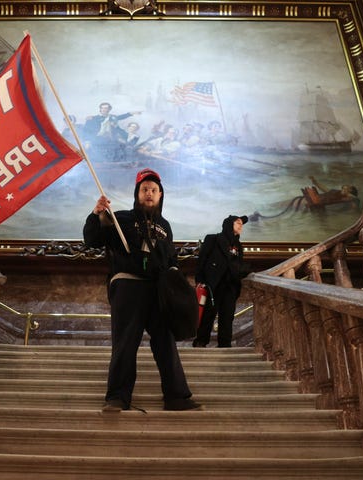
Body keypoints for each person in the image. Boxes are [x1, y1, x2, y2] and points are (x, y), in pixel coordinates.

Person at [83, 168, 202, 412]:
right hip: (128, 286)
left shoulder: (165, 226)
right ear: (137, 193)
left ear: (161, 195)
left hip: (158, 290)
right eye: (145, 189)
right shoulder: (120, 219)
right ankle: (117, 397)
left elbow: (172, 261)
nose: (149, 193)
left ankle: (176, 397)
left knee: (166, 343)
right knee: (125, 343)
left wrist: (176, 283)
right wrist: (96, 214)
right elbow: (92, 239)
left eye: (154, 190)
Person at [192, 215, 249, 348]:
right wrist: (199, 280)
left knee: (227, 317)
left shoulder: (238, 246)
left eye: (242, 224)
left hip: (230, 286)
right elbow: (202, 261)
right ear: (229, 224)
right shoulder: (213, 239)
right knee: (208, 315)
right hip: (213, 285)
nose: (241, 226)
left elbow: (239, 265)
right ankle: (201, 342)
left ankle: (224, 345)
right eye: (238, 223)